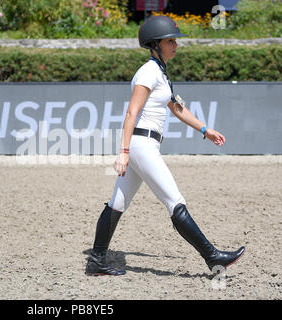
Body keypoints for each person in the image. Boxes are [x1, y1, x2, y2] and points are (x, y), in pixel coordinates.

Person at [85, 15, 245, 276]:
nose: (176, 45)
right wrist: (123, 152)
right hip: (141, 145)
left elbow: (178, 108)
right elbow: (130, 113)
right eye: (171, 41)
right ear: (156, 44)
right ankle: (213, 257)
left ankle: (96, 261)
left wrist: (205, 130)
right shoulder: (148, 72)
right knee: (175, 201)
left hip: (145, 145)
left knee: (117, 204)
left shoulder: (160, 72)